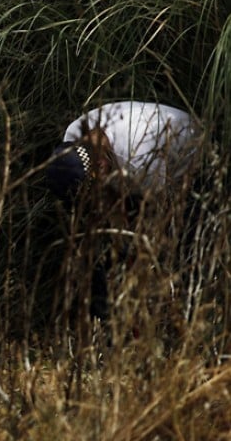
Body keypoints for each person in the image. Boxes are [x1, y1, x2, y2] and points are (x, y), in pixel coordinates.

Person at [45, 100, 201, 321]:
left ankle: (182, 319)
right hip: (135, 176)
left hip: (191, 171)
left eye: (93, 192)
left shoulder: (139, 154)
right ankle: (105, 321)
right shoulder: (74, 135)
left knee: (178, 252)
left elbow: (163, 216)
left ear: (101, 166)